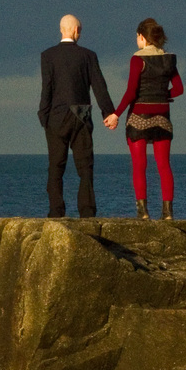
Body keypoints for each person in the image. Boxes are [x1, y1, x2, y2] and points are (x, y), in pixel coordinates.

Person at [37, 15, 117, 218]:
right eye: (80, 30)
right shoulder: (88, 55)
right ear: (75, 30)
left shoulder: (48, 55)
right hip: (81, 113)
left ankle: (56, 211)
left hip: (56, 114)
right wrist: (108, 112)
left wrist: (43, 115)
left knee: (56, 166)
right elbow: (99, 86)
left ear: (61, 29)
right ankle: (87, 211)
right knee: (85, 166)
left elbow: (47, 88)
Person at [115, 17, 184, 220]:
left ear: (142, 37)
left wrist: (116, 114)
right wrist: (163, 95)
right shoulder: (169, 59)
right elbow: (179, 89)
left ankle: (143, 212)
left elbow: (131, 92)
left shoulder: (137, 59)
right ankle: (168, 213)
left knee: (139, 165)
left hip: (139, 117)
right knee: (164, 165)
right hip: (162, 117)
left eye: (137, 37)